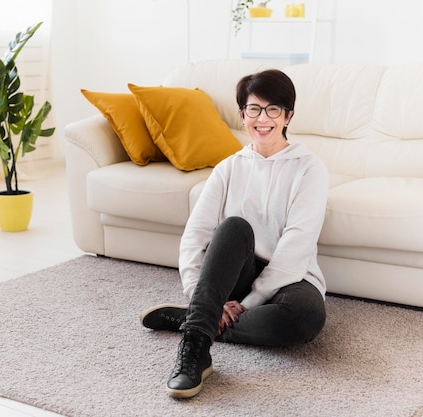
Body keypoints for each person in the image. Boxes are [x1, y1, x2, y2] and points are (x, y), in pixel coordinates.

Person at [140, 69, 329, 399]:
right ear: (242, 115)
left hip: (290, 276)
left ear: (288, 115)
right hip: (236, 269)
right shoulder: (228, 168)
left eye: (273, 109)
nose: (263, 118)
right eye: (254, 109)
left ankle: (197, 317)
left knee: (306, 318)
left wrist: (251, 301)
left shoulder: (309, 168)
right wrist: (193, 287)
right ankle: (195, 346)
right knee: (233, 228)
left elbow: (297, 244)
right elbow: (195, 235)